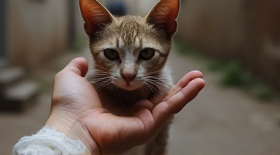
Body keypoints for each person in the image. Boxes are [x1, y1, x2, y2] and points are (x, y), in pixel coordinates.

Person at [13, 57, 205, 155]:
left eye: (145, 54)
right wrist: (75, 126)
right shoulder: (93, 89)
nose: (128, 72)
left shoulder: (163, 85)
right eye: (112, 54)